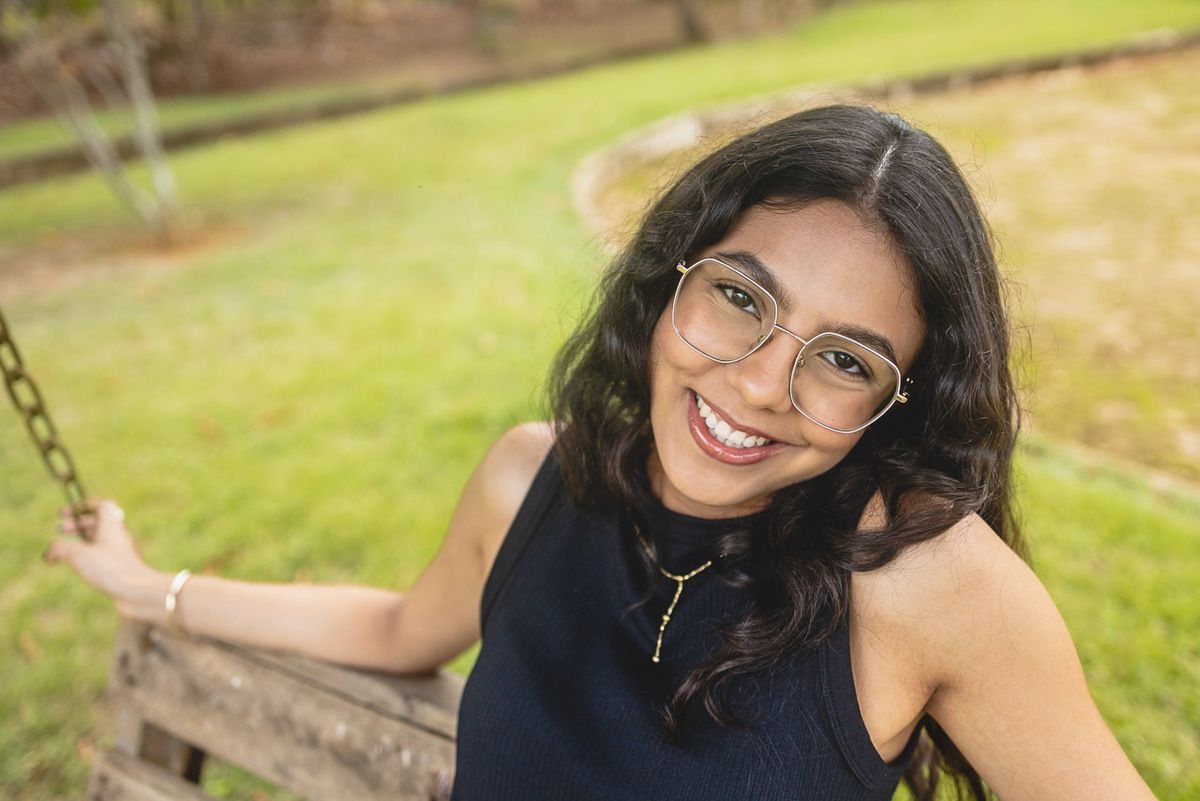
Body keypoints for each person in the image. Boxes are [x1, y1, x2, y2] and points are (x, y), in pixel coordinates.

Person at [48, 105, 1154, 800]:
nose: (758, 385)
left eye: (842, 360)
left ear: (896, 405)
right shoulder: (532, 478)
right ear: (670, 278)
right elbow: (394, 630)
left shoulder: (924, 585)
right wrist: (154, 590)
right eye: (740, 298)